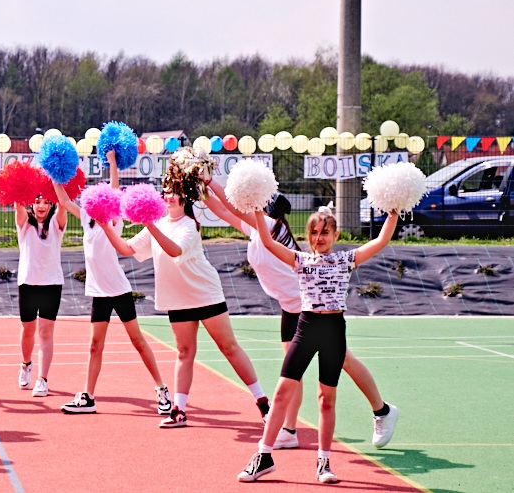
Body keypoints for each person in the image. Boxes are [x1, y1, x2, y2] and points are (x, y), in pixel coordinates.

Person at [205, 185, 399, 450]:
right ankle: (290, 430)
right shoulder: (255, 230)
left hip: (307, 308)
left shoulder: (276, 228)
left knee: (342, 362)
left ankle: (382, 410)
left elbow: (230, 205)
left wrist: (213, 180)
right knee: (293, 372)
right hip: (291, 307)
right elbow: (222, 210)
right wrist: (201, 188)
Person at [238, 207, 399, 484]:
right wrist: (254, 207)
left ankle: (324, 463)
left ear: (335, 234)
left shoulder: (346, 259)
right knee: (281, 393)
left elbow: (381, 240)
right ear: (307, 236)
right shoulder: (299, 260)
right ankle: (263, 457)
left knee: (326, 400)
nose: (319, 237)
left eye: (325, 232)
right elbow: (266, 241)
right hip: (306, 329)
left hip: (334, 332)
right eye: (313, 232)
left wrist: (394, 211)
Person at [99, 181, 271, 429]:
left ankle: (263, 403)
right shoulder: (157, 224)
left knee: (228, 347)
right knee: (184, 352)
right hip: (178, 299)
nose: (168, 197)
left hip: (205, 294)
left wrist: (150, 224)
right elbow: (127, 249)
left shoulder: (189, 225)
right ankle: (179, 410)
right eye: (166, 192)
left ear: (185, 199)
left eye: (175, 193)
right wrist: (106, 226)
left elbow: (174, 250)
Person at [54, 150, 171, 415]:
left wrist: (113, 163)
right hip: (99, 292)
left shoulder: (114, 219)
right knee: (95, 345)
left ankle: (162, 390)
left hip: (119, 290)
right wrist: (53, 172)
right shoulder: (86, 218)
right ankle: (89, 397)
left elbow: (115, 189)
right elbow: (62, 198)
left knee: (138, 341)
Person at [14, 189, 68, 397]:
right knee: (28, 330)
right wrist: (18, 186)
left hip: (51, 285)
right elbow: (18, 205)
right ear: (32, 205)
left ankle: (42, 379)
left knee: (45, 332)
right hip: (27, 284)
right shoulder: (24, 224)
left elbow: (63, 205)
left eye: (46, 202)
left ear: (51, 205)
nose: (42, 206)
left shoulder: (56, 223)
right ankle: (26, 364)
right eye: (37, 202)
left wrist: (60, 183)